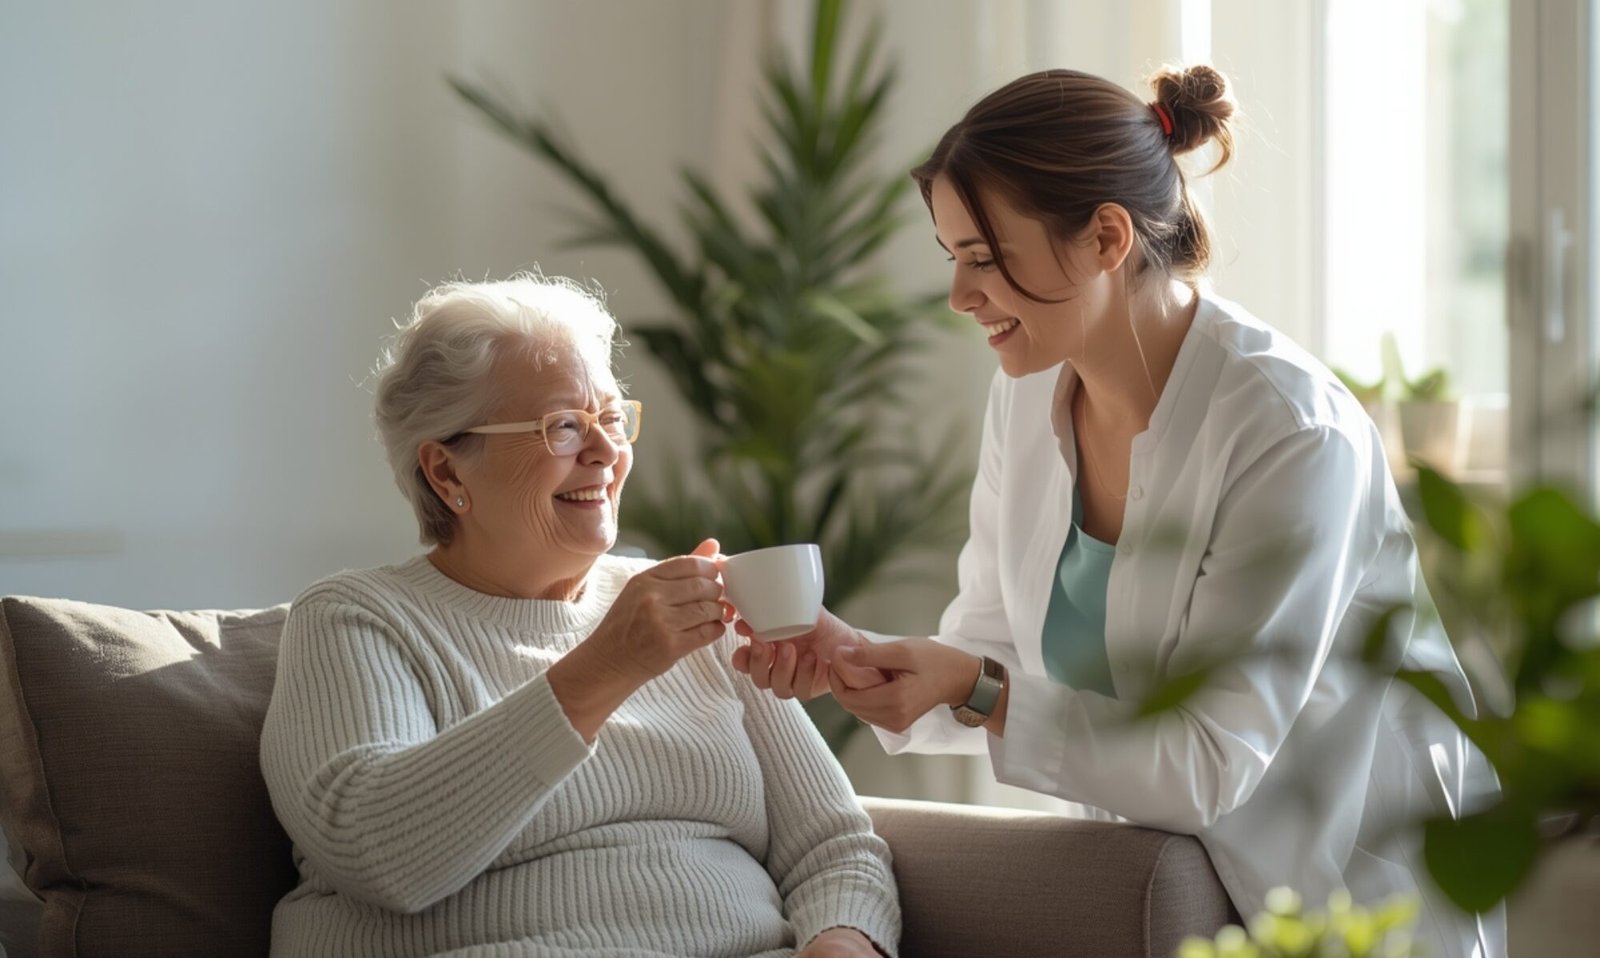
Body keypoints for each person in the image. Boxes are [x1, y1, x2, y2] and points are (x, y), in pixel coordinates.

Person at [731, 66, 1504, 957]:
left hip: (1347, 905)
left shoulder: (1290, 433)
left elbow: (1208, 759)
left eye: (984, 259)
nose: (960, 297)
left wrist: (972, 687)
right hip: (1168, 894)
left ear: (1105, 236)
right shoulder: (1024, 400)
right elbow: (995, 652)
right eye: (955, 260)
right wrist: (866, 667)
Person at [259, 275, 899, 958]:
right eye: (563, 426)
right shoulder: (357, 619)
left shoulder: (690, 608)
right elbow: (377, 854)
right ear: (447, 474)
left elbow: (836, 847)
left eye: (613, 417)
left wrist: (842, 944)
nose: (605, 452)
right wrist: (604, 668)